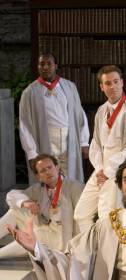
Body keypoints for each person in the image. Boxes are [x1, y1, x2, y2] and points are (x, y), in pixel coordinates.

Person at [74, 65, 126, 231]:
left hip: (122, 170)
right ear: (102, 86)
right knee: (81, 214)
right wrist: (100, 169)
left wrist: (107, 171)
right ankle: (92, 250)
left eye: (116, 81)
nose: (112, 86)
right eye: (108, 83)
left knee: (107, 217)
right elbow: (96, 144)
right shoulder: (101, 111)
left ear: (122, 82)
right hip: (101, 169)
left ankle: (109, 255)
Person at [19, 53, 90, 184]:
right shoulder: (29, 92)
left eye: (49, 63)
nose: (45, 67)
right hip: (46, 140)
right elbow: (25, 125)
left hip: (68, 139)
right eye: (42, 64)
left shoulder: (70, 87)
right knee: (49, 178)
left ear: (55, 66)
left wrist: (84, 142)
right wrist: (31, 152)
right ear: (38, 67)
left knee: (70, 179)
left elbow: (80, 115)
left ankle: (70, 204)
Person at [0, 154, 84, 258]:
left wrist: (79, 246)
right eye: (43, 171)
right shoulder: (38, 189)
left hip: (63, 237)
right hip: (44, 228)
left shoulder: (74, 186)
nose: (48, 172)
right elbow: (11, 196)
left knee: (34, 235)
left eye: (50, 167)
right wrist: (25, 202)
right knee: (15, 211)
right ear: (38, 176)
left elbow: (83, 217)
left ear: (57, 168)